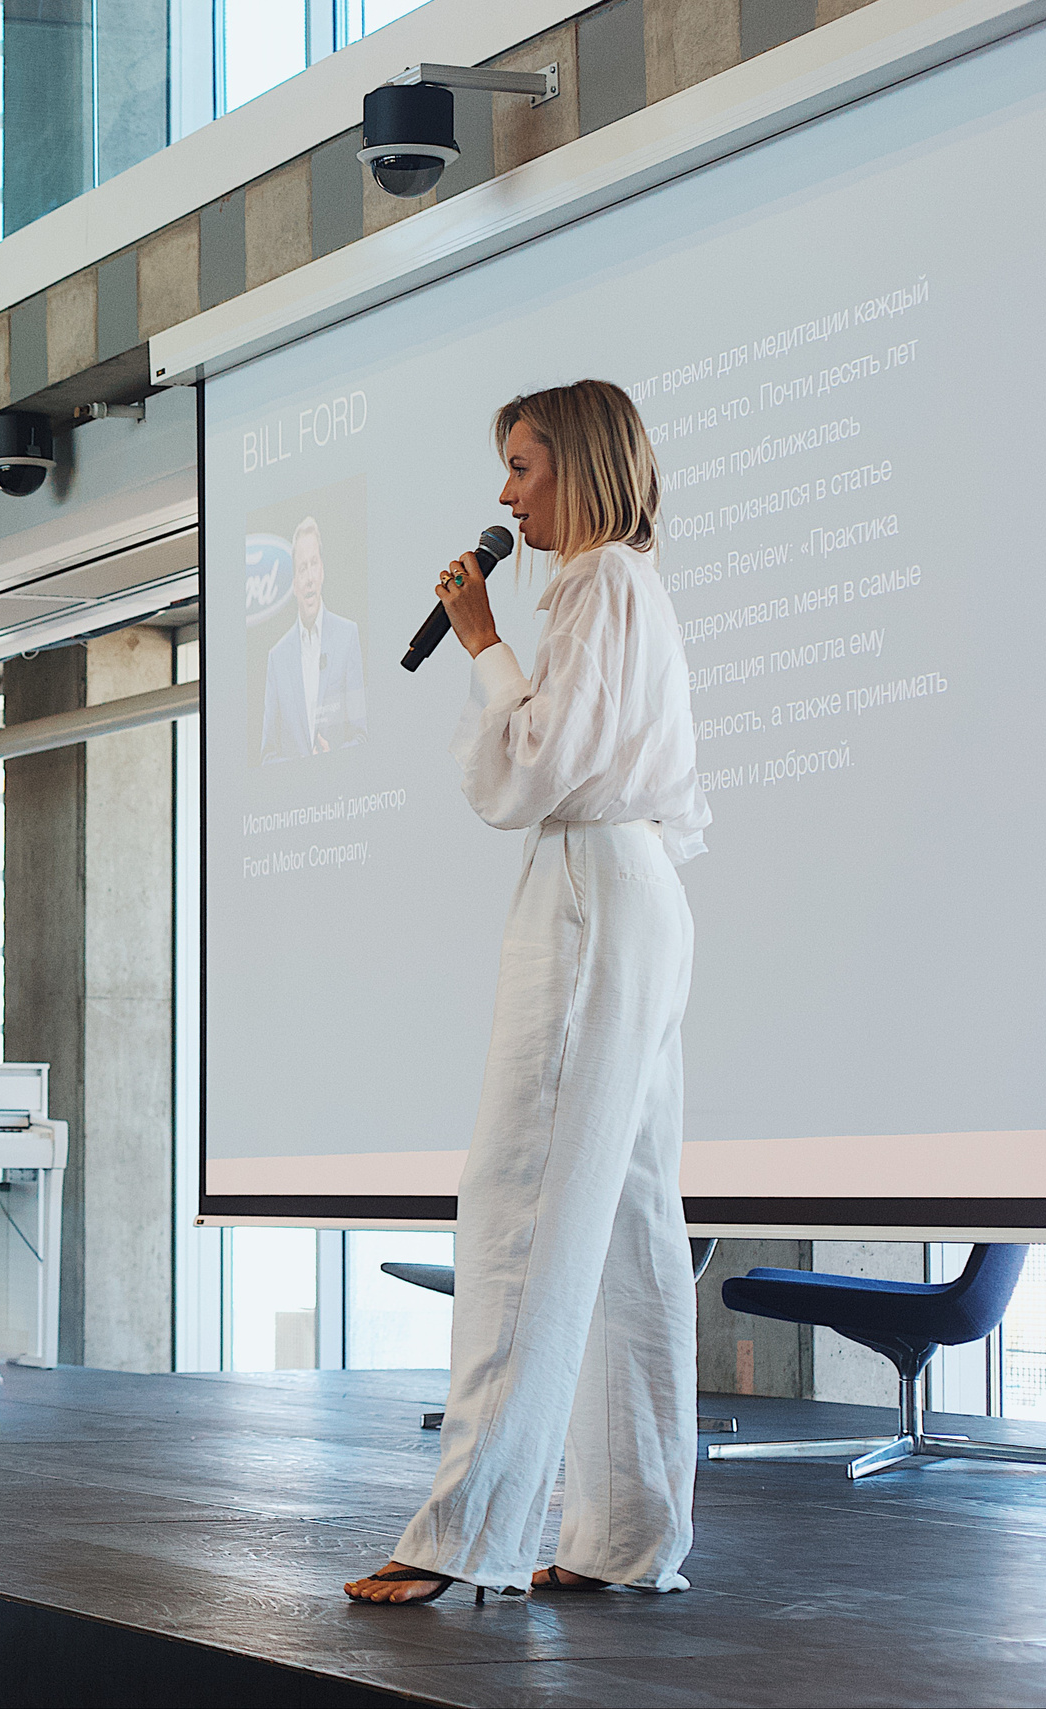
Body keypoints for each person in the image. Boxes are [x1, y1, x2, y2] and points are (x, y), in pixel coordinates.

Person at [343, 379, 709, 1606]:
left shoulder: (598, 580)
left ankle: (463, 1531)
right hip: (640, 887)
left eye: (521, 466)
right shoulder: (630, 585)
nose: (504, 494)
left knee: (521, 1200)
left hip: (594, 886)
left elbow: (533, 766)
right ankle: (628, 1535)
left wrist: (484, 643)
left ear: (580, 465)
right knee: (630, 1225)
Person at [257, 516, 367, 761]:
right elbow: (268, 755)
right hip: (293, 786)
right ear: (294, 583)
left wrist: (332, 758)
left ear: (322, 571)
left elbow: (361, 736)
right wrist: (301, 768)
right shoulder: (277, 657)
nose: (309, 578)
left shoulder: (347, 636)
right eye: (302, 568)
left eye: (314, 564)